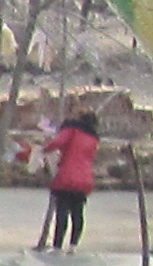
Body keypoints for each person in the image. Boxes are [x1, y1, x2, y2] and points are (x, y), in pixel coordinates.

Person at [38, 103, 104, 249]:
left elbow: (57, 142)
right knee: (78, 213)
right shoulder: (93, 138)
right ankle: (73, 245)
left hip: (67, 177)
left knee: (62, 212)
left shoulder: (71, 130)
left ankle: (57, 246)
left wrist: (43, 149)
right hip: (85, 179)